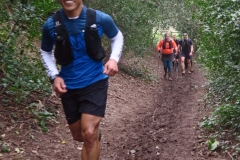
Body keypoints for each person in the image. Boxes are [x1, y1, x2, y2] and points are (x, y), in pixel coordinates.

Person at [40, 0, 124, 159]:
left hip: (95, 81)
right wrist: (54, 76)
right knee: (79, 136)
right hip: (68, 85)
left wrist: (113, 59)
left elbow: (116, 36)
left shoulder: (99, 18)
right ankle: (93, 138)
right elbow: (45, 51)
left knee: (89, 133)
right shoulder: (51, 25)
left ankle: (92, 137)